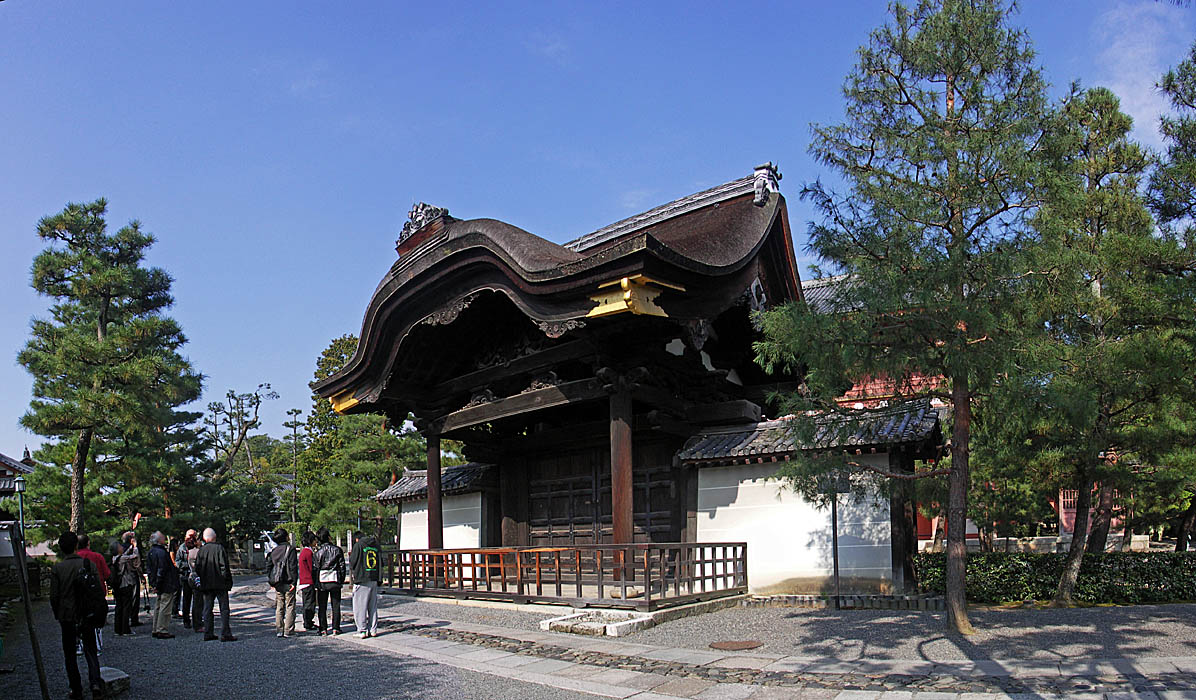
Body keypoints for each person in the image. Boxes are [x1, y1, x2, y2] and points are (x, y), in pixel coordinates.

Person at [50, 531, 102, 700]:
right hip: (86, 613)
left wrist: (58, 613)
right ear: (76, 546)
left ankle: (76, 687)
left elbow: (54, 596)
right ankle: (95, 683)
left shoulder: (58, 569)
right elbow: (97, 590)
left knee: (70, 653)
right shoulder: (88, 564)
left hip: (67, 614)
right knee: (90, 649)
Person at [195, 527, 236, 642]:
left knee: (207, 609)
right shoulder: (219, 548)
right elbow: (224, 567)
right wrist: (227, 580)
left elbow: (197, 567)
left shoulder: (201, 550)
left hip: (206, 584)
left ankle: (208, 632)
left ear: (204, 538)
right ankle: (226, 633)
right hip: (220, 583)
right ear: (214, 537)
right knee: (224, 609)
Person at [75, 535, 109, 657]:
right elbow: (106, 574)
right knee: (96, 620)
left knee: (79, 619)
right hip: (96, 592)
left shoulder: (74, 559)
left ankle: (79, 645)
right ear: (88, 543)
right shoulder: (97, 556)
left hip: (78, 593)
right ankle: (97, 646)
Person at [145, 531, 179, 639]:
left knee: (158, 606)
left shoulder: (151, 552)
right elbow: (162, 569)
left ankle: (156, 628)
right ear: (159, 540)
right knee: (165, 607)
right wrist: (159, 583)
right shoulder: (162, 553)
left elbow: (149, 569)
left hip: (158, 583)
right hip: (166, 583)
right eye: (163, 537)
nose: (164, 538)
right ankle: (162, 629)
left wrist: (153, 583)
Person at [312, 527, 345, 636]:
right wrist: (341, 580)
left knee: (322, 606)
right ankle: (336, 627)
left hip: (322, 580)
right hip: (334, 579)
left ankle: (323, 628)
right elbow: (342, 567)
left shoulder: (318, 553)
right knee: (336, 605)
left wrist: (316, 583)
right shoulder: (337, 550)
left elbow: (315, 569)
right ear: (329, 537)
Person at [349, 530, 382, 638]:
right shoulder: (375, 545)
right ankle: (373, 629)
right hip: (374, 577)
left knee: (360, 606)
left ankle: (362, 630)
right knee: (372, 606)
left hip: (362, 578)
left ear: (356, 539)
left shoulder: (358, 545)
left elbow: (352, 562)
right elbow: (381, 562)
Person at [267, 528, 299, 637]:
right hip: (288, 581)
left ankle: (279, 629)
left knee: (279, 605)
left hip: (278, 582)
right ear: (286, 537)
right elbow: (293, 566)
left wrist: (271, 580)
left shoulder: (274, 551)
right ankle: (289, 630)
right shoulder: (290, 549)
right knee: (290, 605)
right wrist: (294, 581)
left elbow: (269, 566)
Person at [113, 533, 141, 636]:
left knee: (119, 607)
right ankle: (125, 629)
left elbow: (126, 553)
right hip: (125, 583)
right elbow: (135, 556)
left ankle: (118, 628)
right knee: (126, 607)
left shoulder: (115, 558)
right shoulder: (123, 558)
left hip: (117, 585)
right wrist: (135, 546)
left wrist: (131, 547)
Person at [176, 529, 199, 630]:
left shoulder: (198, 547)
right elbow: (177, 562)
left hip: (197, 576)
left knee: (198, 599)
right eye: (190, 536)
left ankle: (197, 619)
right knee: (186, 599)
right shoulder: (182, 548)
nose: (191, 538)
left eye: (193, 536)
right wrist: (188, 565)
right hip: (185, 576)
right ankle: (186, 620)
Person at [297, 530, 317, 632]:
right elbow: (311, 567)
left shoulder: (303, 552)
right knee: (310, 604)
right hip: (308, 581)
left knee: (306, 603)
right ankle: (308, 622)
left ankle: (307, 621)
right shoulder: (308, 552)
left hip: (303, 581)